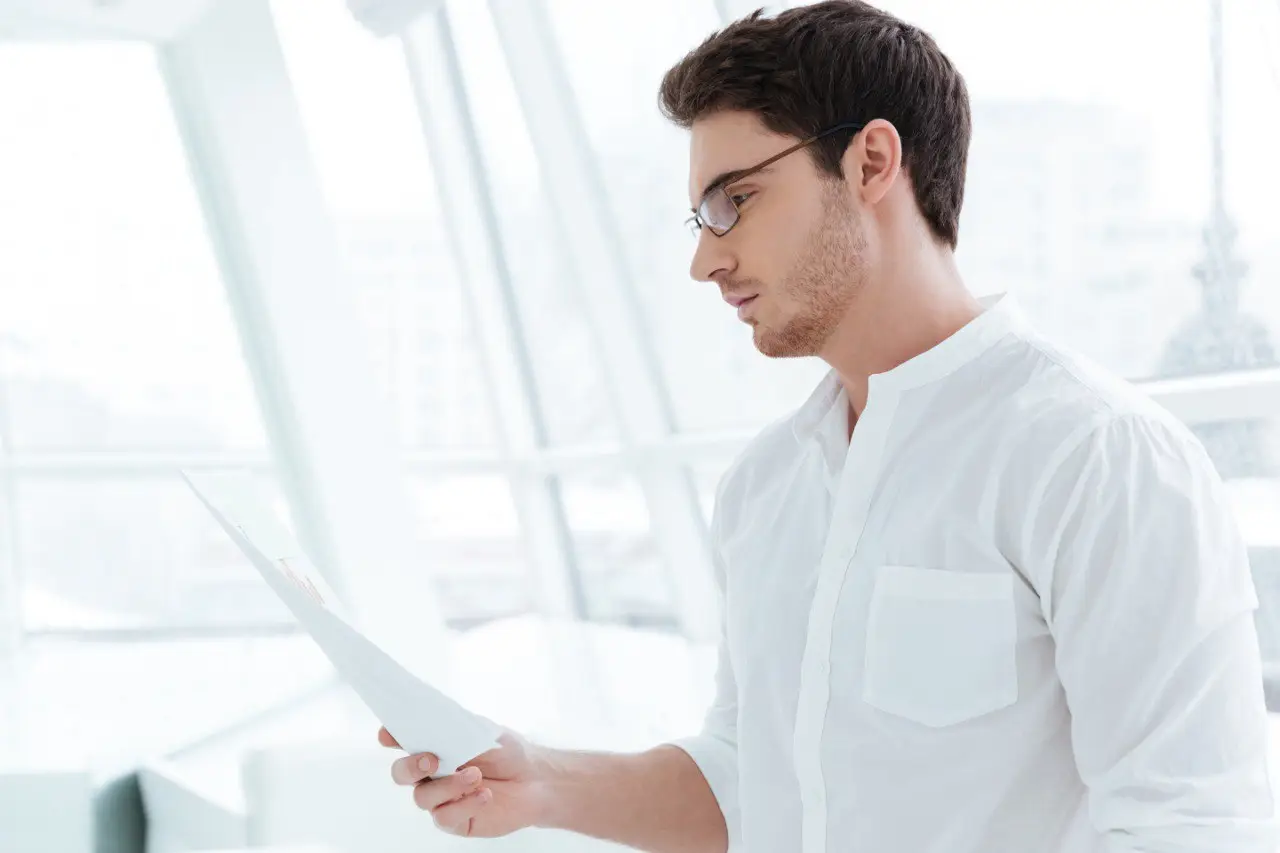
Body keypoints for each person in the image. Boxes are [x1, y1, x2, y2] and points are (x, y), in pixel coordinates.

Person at [379, 2, 1278, 850]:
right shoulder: (763, 487)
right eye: (700, 217)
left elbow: (1188, 821)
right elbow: (752, 781)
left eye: (735, 199)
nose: (705, 257)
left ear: (871, 163)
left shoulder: (1096, 458)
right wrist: (541, 782)